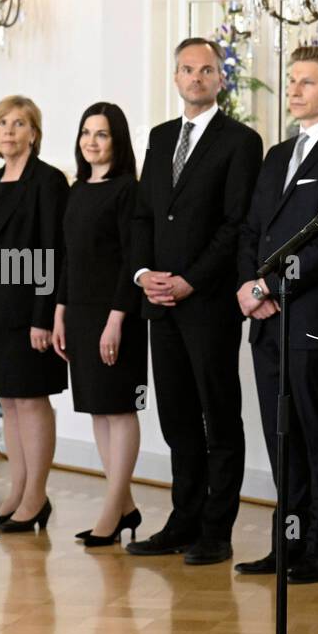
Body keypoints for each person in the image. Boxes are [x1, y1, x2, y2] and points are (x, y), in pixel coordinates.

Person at [127, 37, 263, 565]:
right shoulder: (160, 138)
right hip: (158, 302)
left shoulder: (240, 141)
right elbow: (143, 216)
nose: (197, 78)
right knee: (177, 416)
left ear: (219, 78)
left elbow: (235, 227)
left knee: (218, 415)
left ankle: (216, 528)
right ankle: (182, 519)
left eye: (207, 70)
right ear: (176, 75)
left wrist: (189, 280)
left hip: (207, 303)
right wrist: (144, 274)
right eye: (187, 69)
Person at [234, 46, 318, 583]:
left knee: (316, 433)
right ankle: (286, 543)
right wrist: (247, 284)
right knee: (279, 435)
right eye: (291, 80)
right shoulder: (276, 153)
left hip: (309, 314)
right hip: (266, 320)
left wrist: (270, 283)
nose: (294, 89)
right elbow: (252, 227)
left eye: (306, 82)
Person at [0, 95, 69, 534]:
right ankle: (16, 492)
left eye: (19, 123)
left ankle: (36, 496)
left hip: (31, 311)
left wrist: (43, 316)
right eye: (1, 123)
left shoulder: (48, 181)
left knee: (31, 399)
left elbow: (52, 250)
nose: (8, 130)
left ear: (33, 133)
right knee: (8, 401)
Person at [51, 102, 146, 548]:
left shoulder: (128, 189)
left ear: (117, 140)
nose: (92, 141)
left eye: (102, 134)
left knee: (118, 407)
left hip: (116, 314)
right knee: (96, 409)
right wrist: (59, 313)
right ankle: (123, 505)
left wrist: (116, 320)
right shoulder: (76, 189)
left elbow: (133, 259)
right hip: (81, 313)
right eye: (86, 132)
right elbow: (67, 257)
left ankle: (111, 510)